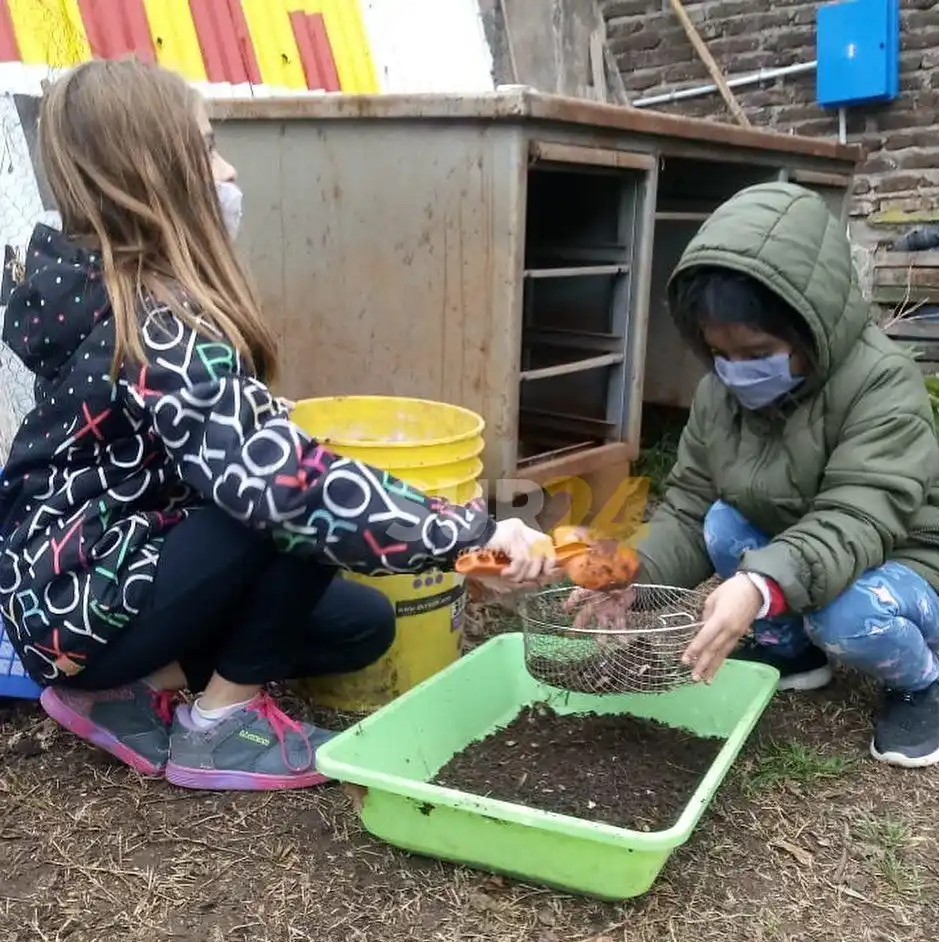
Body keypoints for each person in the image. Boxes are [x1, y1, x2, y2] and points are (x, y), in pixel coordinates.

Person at [0, 58, 553, 791]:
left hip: (82, 585)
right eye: (206, 149)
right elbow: (288, 486)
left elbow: (150, 436)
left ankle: (126, 688)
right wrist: (471, 535)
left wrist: (265, 424)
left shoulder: (101, 291)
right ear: (152, 171)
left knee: (359, 625)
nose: (228, 171)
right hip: (82, 599)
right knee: (295, 494)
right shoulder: (157, 326)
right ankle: (218, 725)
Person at [571, 182, 939, 769]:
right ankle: (794, 654)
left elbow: (857, 515)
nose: (737, 372)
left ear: (810, 327)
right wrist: (633, 572)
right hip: (810, 551)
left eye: (757, 353)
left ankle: (920, 685)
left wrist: (757, 585)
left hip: (914, 558)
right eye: (721, 355)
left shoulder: (881, 382)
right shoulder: (719, 393)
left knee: (844, 615)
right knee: (722, 522)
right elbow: (690, 505)